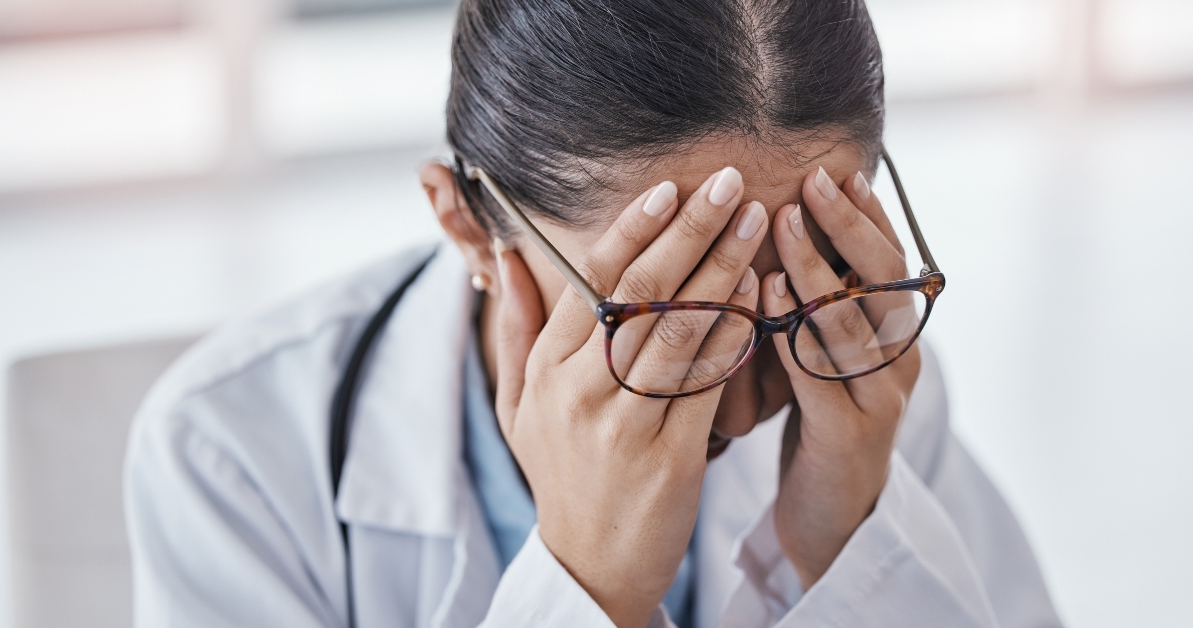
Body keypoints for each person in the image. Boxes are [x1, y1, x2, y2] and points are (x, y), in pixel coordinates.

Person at [124, 1, 1062, 626]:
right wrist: (588, 584)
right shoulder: (229, 454)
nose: (737, 411)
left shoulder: (861, 378)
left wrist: (846, 534)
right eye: (666, 319)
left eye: (796, 295)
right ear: (467, 225)